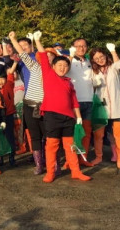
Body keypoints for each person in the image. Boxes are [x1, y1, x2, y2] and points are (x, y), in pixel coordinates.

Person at [32, 31, 91, 183]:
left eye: (65, 65)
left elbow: (74, 101)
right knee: (52, 145)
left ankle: (76, 171)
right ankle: (50, 173)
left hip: (69, 117)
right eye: (59, 65)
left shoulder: (69, 82)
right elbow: (43, 56)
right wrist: (37, 40)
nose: (62, 68)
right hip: (52, 116)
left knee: (70, 146)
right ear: (53, 66)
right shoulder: (48, 74)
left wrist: (78, 117)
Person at [9, 32, 46, 175]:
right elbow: (22, 54)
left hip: (46, 106)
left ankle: (51, 162)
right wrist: (13, 39)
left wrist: (36, 40)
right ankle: (39, 164)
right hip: (30, 105)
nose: (45, 59)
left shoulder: (54, 71)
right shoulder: (34, 67)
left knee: (49, 135)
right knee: (35, 135)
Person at [89, 44, 120, 169]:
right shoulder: (93, 71)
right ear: (93, 61)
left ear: (106, 56)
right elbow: (89, 84)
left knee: (118, 134)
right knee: (98, 134)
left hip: (117, 106)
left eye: (101, 57)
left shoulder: (113, 67)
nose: (100, 60)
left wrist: (113, 51)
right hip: (101, 107)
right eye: (96, 58)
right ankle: (98, 157)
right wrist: (94, 84)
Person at [67, 38, 95, 167]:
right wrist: (70, 56)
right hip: (73, 102)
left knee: (86, 133)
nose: (81, 48)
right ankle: (70, 160)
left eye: (83, 46)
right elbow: (64, 70)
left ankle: (83, 158)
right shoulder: (68, 60)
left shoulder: (90, 61)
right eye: (78, 46)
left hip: (89, 100)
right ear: (73, 47)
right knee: (72, 133)